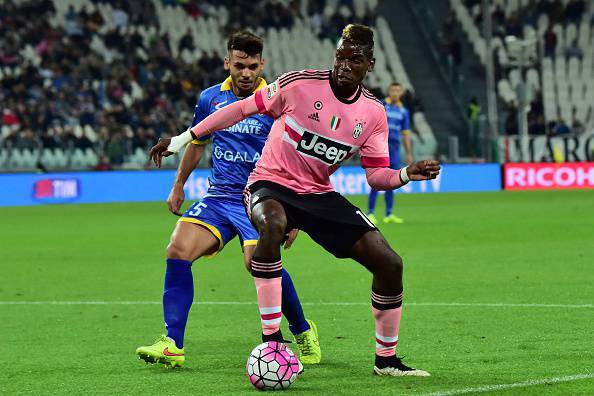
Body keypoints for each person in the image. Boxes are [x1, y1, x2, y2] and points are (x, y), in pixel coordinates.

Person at [150, 24, 440, 377]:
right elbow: (242, 109)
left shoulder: (373, 113)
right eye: (341, 56)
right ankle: (271, 343)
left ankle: (386, 361)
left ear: (371, 65)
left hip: (318, 193)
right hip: (269, 184)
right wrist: (182, 139)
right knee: (267, 227)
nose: (345, 64)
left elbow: (376, 176)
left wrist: (406, 174)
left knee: (390, 263)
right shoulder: (299, 84)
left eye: (356, 59)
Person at [136, 31, 321, 368]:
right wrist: (178, 185)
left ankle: (302, 329)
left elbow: (298, 156)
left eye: (252, 66)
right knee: (177, 249)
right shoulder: (210, 99)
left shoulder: (277, 101)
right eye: (239, 65)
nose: (246, 73)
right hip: (219, 196)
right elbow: (197, 142)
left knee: (259, 264)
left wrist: (294, 214)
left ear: (262, 64)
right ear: (228, 63)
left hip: (261, 197)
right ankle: (172, 344)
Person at [367, 82, 413, 225]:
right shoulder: (381, 106)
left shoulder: (404, 111)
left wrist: (409, 153)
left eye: (398, 90)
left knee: (392, 182)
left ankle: (388, 214)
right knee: (376, 181)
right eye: (393, 90)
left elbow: (405, 134)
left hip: (394, 151)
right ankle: (370, 213)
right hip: (379, 150)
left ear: (401, 93)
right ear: (389, 91)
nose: (395, 93)